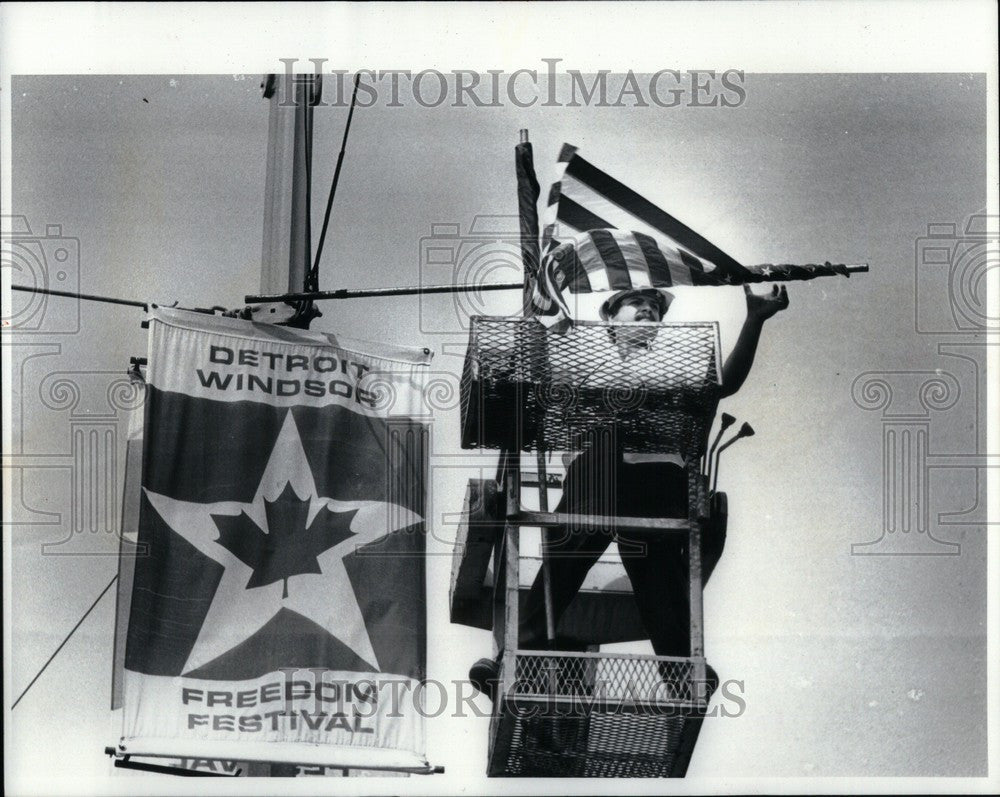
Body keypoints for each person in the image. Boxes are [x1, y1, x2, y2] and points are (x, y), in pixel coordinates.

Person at [469, 281, 789, 698]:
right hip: (597, 467)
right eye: (636, 303)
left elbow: (723, 383)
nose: (647, 310)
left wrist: (754, 320)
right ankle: (512, 663)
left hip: (655, 471)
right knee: (571, 550)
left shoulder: (677, 364)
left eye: (655, 309)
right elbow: (537, 371)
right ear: (609, 318)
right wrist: (537, 313)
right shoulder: (582, 360)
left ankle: (680, 673)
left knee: (656, 565)